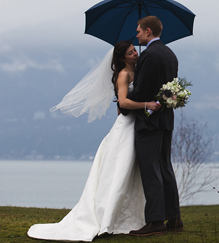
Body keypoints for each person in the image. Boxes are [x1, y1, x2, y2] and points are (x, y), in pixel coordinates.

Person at [27, 41, 156, 241]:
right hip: (126, 127)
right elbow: (123, 102)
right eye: (131, 53)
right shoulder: (123, 75)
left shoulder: (139, 72)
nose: (135, 54)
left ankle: (131, 216)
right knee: (119, 170)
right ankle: (107, 218)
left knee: (132, 172)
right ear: (122, 58)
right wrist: (147, 104)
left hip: (137, 125)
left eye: (134, 51)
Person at [121, 15, 182, 237]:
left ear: (148, 31)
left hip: (149, 121)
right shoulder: (170, 55)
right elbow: (171, 90)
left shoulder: (149, 56)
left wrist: (124, 104)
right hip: (166, 120)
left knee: (150, 169)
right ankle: (174, 218)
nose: (136, 35)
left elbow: (142, 91)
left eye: (138, 31)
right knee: (165, 166)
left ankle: (156, 221)